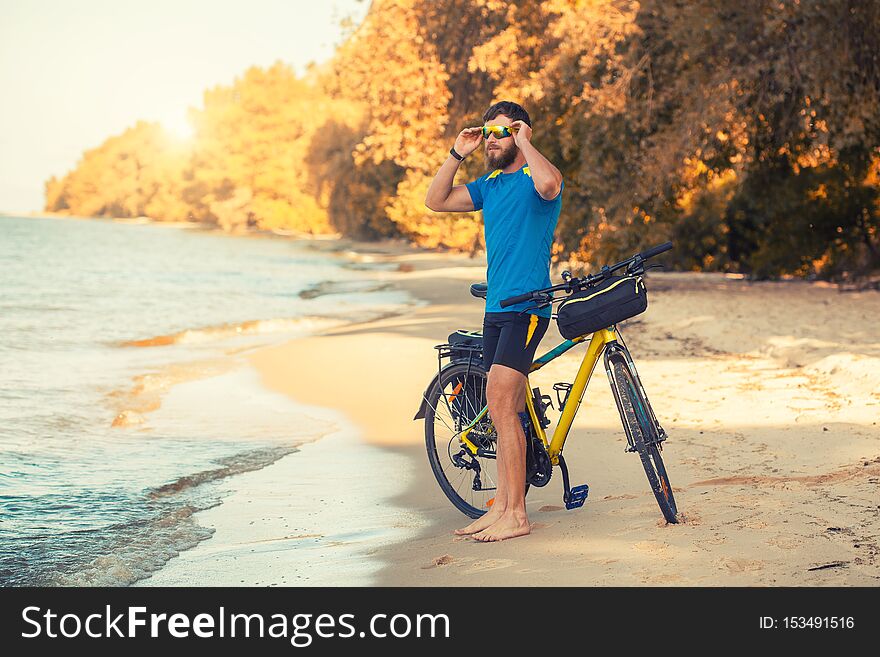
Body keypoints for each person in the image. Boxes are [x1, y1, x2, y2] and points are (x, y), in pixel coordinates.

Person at [425, 101, 563, 542]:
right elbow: (436, 200)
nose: (491, 139)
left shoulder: (533, 179)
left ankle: (517, 515)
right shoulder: (488, 186)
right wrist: (455, 153)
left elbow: (550, 183)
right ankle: (501, 506)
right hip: (496, 309)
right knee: (507, 409)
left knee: (501, 405)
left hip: (527, 308)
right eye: (487, 132)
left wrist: (525, 140)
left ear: (520, 133)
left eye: (501, 132)